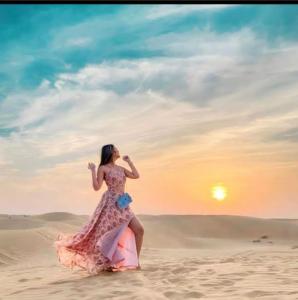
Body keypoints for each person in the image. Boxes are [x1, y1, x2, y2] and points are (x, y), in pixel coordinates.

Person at [53, 144, 144, 274]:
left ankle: (136, 262)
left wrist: (129, 161)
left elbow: (136, 175)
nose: (118, 150)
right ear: (111, 152)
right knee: (106, 236)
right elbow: (97, 187)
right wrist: (93, 171)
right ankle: (106, 264)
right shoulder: (103, 168)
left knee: (139, 230)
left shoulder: (121, 168)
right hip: (110, 206)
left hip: (123, 203)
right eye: (116, 149)